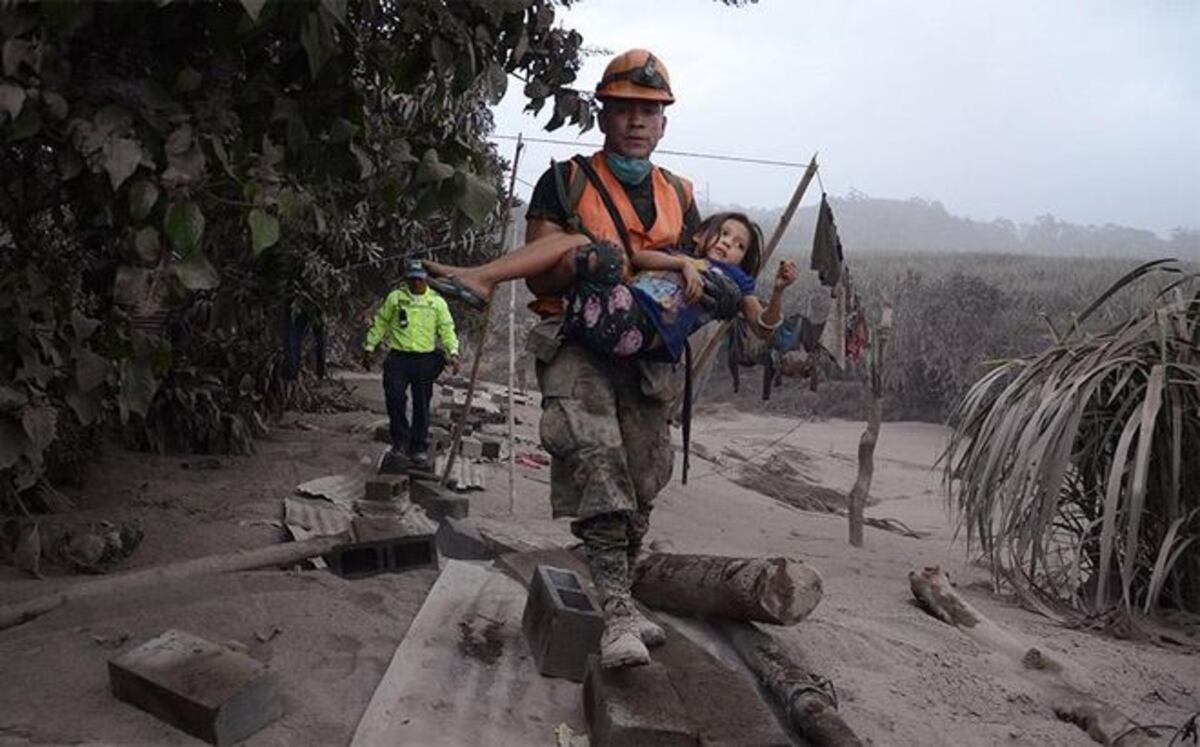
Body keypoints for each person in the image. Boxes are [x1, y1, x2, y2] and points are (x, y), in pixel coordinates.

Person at [478, 49, 797, 670]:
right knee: (597, 457)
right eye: (624, 107)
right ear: (604, 113)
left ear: (664, 123)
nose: (636, 121)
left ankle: (620, 590)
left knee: (645, 471)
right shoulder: (565, 180)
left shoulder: (678, 193)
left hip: (649, 353)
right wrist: (587, 264)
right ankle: (617, 609)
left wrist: (731, 288)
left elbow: (705, 268)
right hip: (578, 338)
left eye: (649, 111)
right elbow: (539, 265)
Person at [425, 211, 795, 365]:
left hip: (636, 331)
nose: (729, 243)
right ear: (700, 235)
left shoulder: (736, 281)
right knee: (582, 246)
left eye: (740, 244)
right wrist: (683, 263)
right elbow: (641, 259)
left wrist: (777, 291)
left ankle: (483, 277)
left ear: (743, 260)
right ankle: (482, 276)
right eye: (725, 233)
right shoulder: (681, 258)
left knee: (595, 251)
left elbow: (763, 326)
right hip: (611, 309)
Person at [362, 261, 461, 468]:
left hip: (424, 359)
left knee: (421, 404)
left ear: (426, 279)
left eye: (419, 278)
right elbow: (381, 322)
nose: (415, 282)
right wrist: (370, 346)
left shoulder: (436, 303)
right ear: (407, 278)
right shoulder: (396, 299)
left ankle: (418, 447)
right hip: (399, 357)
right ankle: (400, 442)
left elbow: (446, 328)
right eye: (412, 278)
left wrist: (453, 352)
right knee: (395, 398)